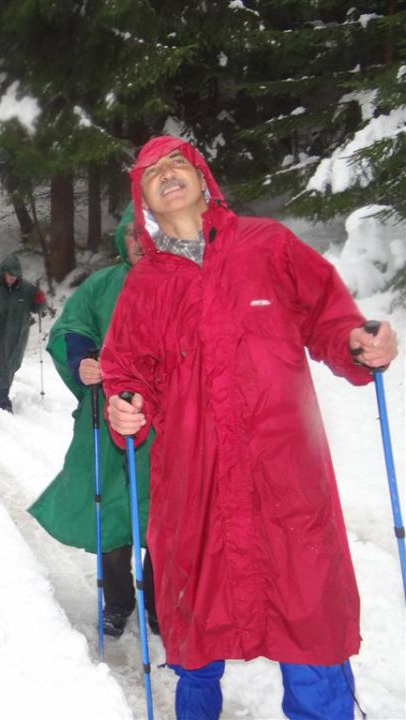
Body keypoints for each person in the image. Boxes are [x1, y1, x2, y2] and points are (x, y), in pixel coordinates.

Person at [102, 135, 399, 720]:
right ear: (143, 204)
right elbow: (127, 373)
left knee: (308, 612)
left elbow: (329, 316)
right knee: (199, 621)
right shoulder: (146, 287)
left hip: (286, 468)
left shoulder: (268, 246)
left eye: (178, 163)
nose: (167, 174)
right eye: (152, 173)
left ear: (203, 177)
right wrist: (124, 409)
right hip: (197, 479)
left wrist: (358, 343)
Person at [28, 205, 158, 638]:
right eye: (133, 235)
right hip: (106, 415)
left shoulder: (181, 283)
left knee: (165, 513)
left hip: (167, 424)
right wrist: (82, 359)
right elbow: (72, 327)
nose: (140, 243)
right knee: (111, 504)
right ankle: (119, 601)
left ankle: (161, 603)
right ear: (123, 238)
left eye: (148, 233)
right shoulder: (103, 284)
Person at [0, 254, 47, 412]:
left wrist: (41, 301)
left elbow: (38, 308)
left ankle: (3, 392)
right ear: (3, 272)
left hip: (19, 335)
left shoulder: (27, 289)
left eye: (15, 276)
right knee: (0, 366)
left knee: (13, 365)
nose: (12, 278)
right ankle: (2, 400)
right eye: (9, 275)